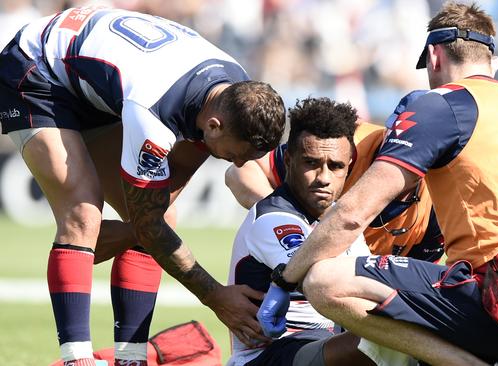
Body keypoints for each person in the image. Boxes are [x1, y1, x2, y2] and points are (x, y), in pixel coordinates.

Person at [257, 2, 498, 365]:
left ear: (434, 56)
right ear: (491, 60)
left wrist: (284, 281)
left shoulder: (442, 104)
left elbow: (351, 213)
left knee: (322, 280)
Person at [0, 6, 285, 366]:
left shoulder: (231, 92)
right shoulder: (153, 113)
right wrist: (215, 296)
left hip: (98, 78)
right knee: (83, 215)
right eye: (238, 154)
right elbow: (149, 227)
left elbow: (157, 210)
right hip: (37, 65)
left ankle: (130, 359)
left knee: (160, 216)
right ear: (214, 126)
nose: (241, 164)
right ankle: (76, 360)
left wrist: (148, 227)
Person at [226, 97, 375, 366]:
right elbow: (323, 279)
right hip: (268, 356)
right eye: (312, 163)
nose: (324, 178)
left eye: (336, 166)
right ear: (289, 160)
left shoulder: (339, 216)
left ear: (349, 166)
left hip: (321, 344)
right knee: (384, 341)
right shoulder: (273, 219)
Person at [225, 100, 444, 262]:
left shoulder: (442, 199)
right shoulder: (343, 149)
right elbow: (240, 172)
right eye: (396, 132)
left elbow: (416, 284)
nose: (398, 144)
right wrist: (289, 218)